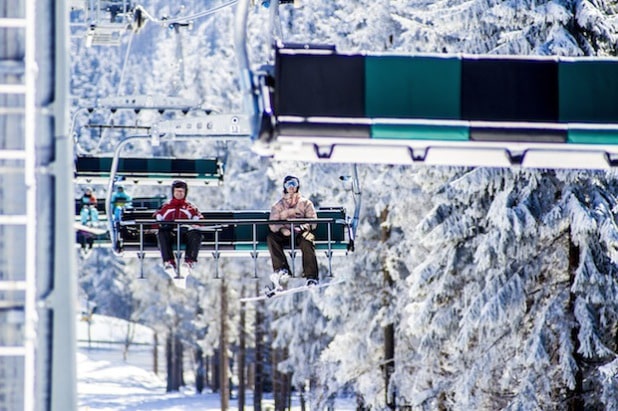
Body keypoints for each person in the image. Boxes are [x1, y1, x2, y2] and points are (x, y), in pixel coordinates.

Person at [267, 175, 318, 290]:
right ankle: (281, 269)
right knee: (271, 238)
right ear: (284, 187)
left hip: (301, 232)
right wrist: (283, 229)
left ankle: (311, 276)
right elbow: (273, 224)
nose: (291, 187)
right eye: (288, 184)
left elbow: (313, 221)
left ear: (297, 186)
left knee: (308, 239)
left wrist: (303, 227)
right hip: (285, 234)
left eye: (294, 184)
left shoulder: (306, 203)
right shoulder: (278, 205)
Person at [153, 180, 203, 274]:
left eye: (181, 191)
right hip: (171, 235)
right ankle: (169, 261)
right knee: (162, 233)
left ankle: (189, 261)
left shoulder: (190, 207)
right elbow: (157, 218)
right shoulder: (166, 206)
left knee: (196, 234)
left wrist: (196, 223)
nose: (179, 194)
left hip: (185, 235)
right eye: (177, 191)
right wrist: (161, 224)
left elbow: (199, 218)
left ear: (185, 193)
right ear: (173, 192)